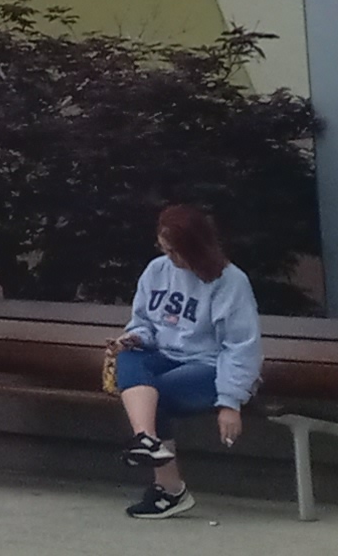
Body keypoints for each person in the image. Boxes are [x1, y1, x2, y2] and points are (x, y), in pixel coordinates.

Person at [112, 201, 260, 521]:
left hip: (209, 366)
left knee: (157, 396)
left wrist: (230, 402)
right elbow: (143, 322)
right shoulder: (156, 270)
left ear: (196, 247)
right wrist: (134, 338)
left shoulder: (229, 281)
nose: (170, 258)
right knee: (127, 355)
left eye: (176, 251)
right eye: (165, 249)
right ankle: (146, 439)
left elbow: (240, 347)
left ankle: (170, 490)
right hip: (163, 354)